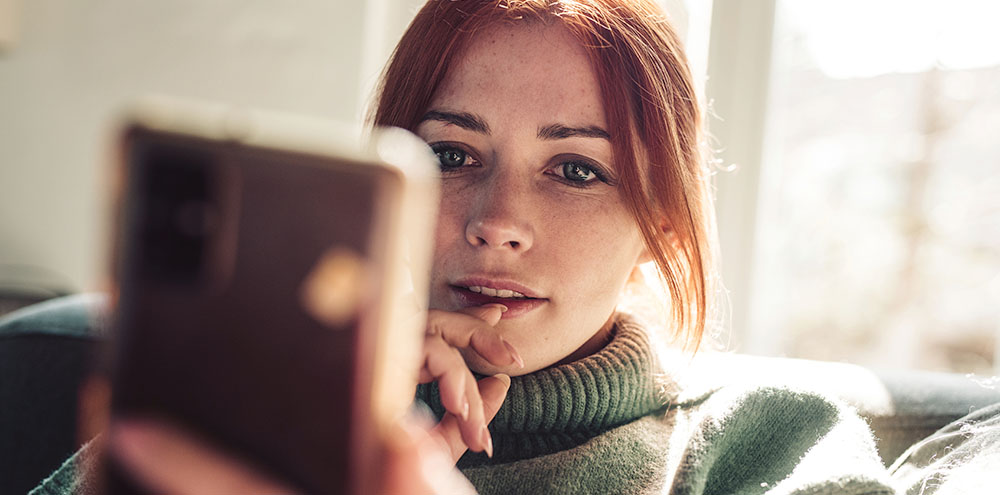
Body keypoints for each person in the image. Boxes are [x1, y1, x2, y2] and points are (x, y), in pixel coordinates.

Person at [32, 1, 911, 494]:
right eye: (452, 155)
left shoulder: (776, 439)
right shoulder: (244, 405)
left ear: (663, 223)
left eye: (574, 169)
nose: (498, 219)